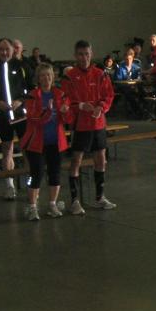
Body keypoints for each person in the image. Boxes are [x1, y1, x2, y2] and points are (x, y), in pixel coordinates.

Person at [61, 40, 116, 214]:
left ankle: (100, 197)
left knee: (101, 159)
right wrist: (80, 106)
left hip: (98, 124)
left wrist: (101, 107)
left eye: (86, 54)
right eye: (80, 54)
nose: (84, 58)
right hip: (80, 125)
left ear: (91, 54)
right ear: (75, 55)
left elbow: (109, 95)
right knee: (76, 161)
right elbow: (65, 100)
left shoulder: (100, 74)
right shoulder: (69, 77)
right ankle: (75, 201)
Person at [20, 63, 73, 221]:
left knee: (55, 173)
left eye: (48, 75)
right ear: (38, 78)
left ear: (53, 77)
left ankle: (52, 204)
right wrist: (48, 111)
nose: (46, 78)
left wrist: (65, 112)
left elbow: (68, 119)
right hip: (36, 143)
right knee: (36, 174)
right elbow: (34, 119)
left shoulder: (60, 94)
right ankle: (32, 206)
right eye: (42, 75)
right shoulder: (32, 96)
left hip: (56, 142)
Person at [0, 37, 30, 200]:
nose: (4, 52)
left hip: (21, 115)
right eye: (1, 49)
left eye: (7, 49)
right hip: (3, 116)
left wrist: (20, 101)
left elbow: (31, 89)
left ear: (13, 50)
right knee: (7, 148)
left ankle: (31, 183)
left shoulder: (22, 67)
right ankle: (9, 186)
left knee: (26, 148)